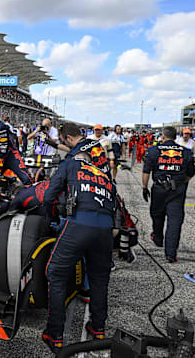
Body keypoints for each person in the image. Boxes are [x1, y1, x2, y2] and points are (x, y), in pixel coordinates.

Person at [42, 123, 116, 353]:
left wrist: (52, 219)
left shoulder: (69, 164)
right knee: (99, 279)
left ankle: (54, 335)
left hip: (78, 224)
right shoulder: (104, 176)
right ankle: (98, 328)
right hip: (105, 229)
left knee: (55, 273)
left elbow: (48, 196)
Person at [142, 126, 194, 262]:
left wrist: (144, 187)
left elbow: (146, 171)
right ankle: (171, 253)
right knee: (175, 222)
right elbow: (190, 173)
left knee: (157, 215)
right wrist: (181, 183)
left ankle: (158, 238)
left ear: (163, 137)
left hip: (159, 189)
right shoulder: (186, 152)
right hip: (177, 190)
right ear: (175, 137)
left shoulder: (153, 150)